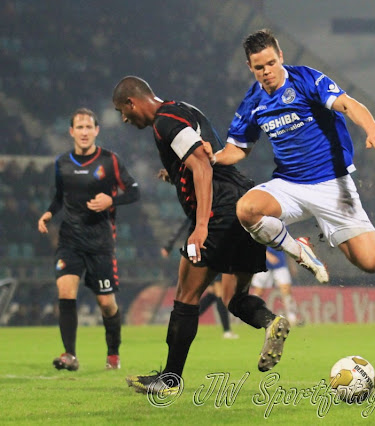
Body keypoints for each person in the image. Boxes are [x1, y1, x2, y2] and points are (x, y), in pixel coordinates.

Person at [112, 76, 289, 395]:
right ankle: (270, 321)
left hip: (219, 210)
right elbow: (206, 155)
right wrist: (177, 172)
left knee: (186, 294)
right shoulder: (183, 109)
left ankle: (170, 380)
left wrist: (202, 225)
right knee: (234, 297)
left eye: (122, 111)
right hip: (245, 202)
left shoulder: (164, 121)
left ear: (131, 102)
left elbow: (203, 167)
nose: (124, 119)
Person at [211, 29, 375, 284]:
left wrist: (371, 128)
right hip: (290, 184)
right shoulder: (253, 100)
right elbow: (238, 149)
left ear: (281, 56)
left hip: (332, 184)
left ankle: (328, 225)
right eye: (259, 67)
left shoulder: (305, 79)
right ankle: (300, 251)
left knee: (372, 263)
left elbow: (348, 104)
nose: (267, 71)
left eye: (271, 63)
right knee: (246, 210)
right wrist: (210, 159)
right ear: (250, 67)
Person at [37, 108, 140, 371]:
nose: (84, 132)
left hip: (100, 242)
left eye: (88, 127)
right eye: (79, 127)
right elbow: (59, 197)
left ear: (97, 130)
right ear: (71, 132)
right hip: (70, 240)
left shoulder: (110, 160)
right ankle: (69, 355)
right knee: (65, 291)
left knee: (106, 304)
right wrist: (49, 213)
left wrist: (111, 200)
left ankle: (113, 353)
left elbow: (134, 191)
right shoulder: (62, 162)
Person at [159, 200, 238, 340]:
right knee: (218, 292)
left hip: (212, 250)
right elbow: (184, 225)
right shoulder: (202, 209)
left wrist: (168, 246)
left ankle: (181, 322)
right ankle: (226, 331)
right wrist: (169, 245)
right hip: (206, 251)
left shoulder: (212, 208)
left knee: (212, 293)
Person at [252, 246, 302, 326]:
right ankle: (251, 314)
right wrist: (267, 255)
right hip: (263, 263)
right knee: (259, 291)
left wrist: (291, 264)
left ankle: (292, 318)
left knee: (286, 290)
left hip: (280, 264)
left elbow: (288, 246)